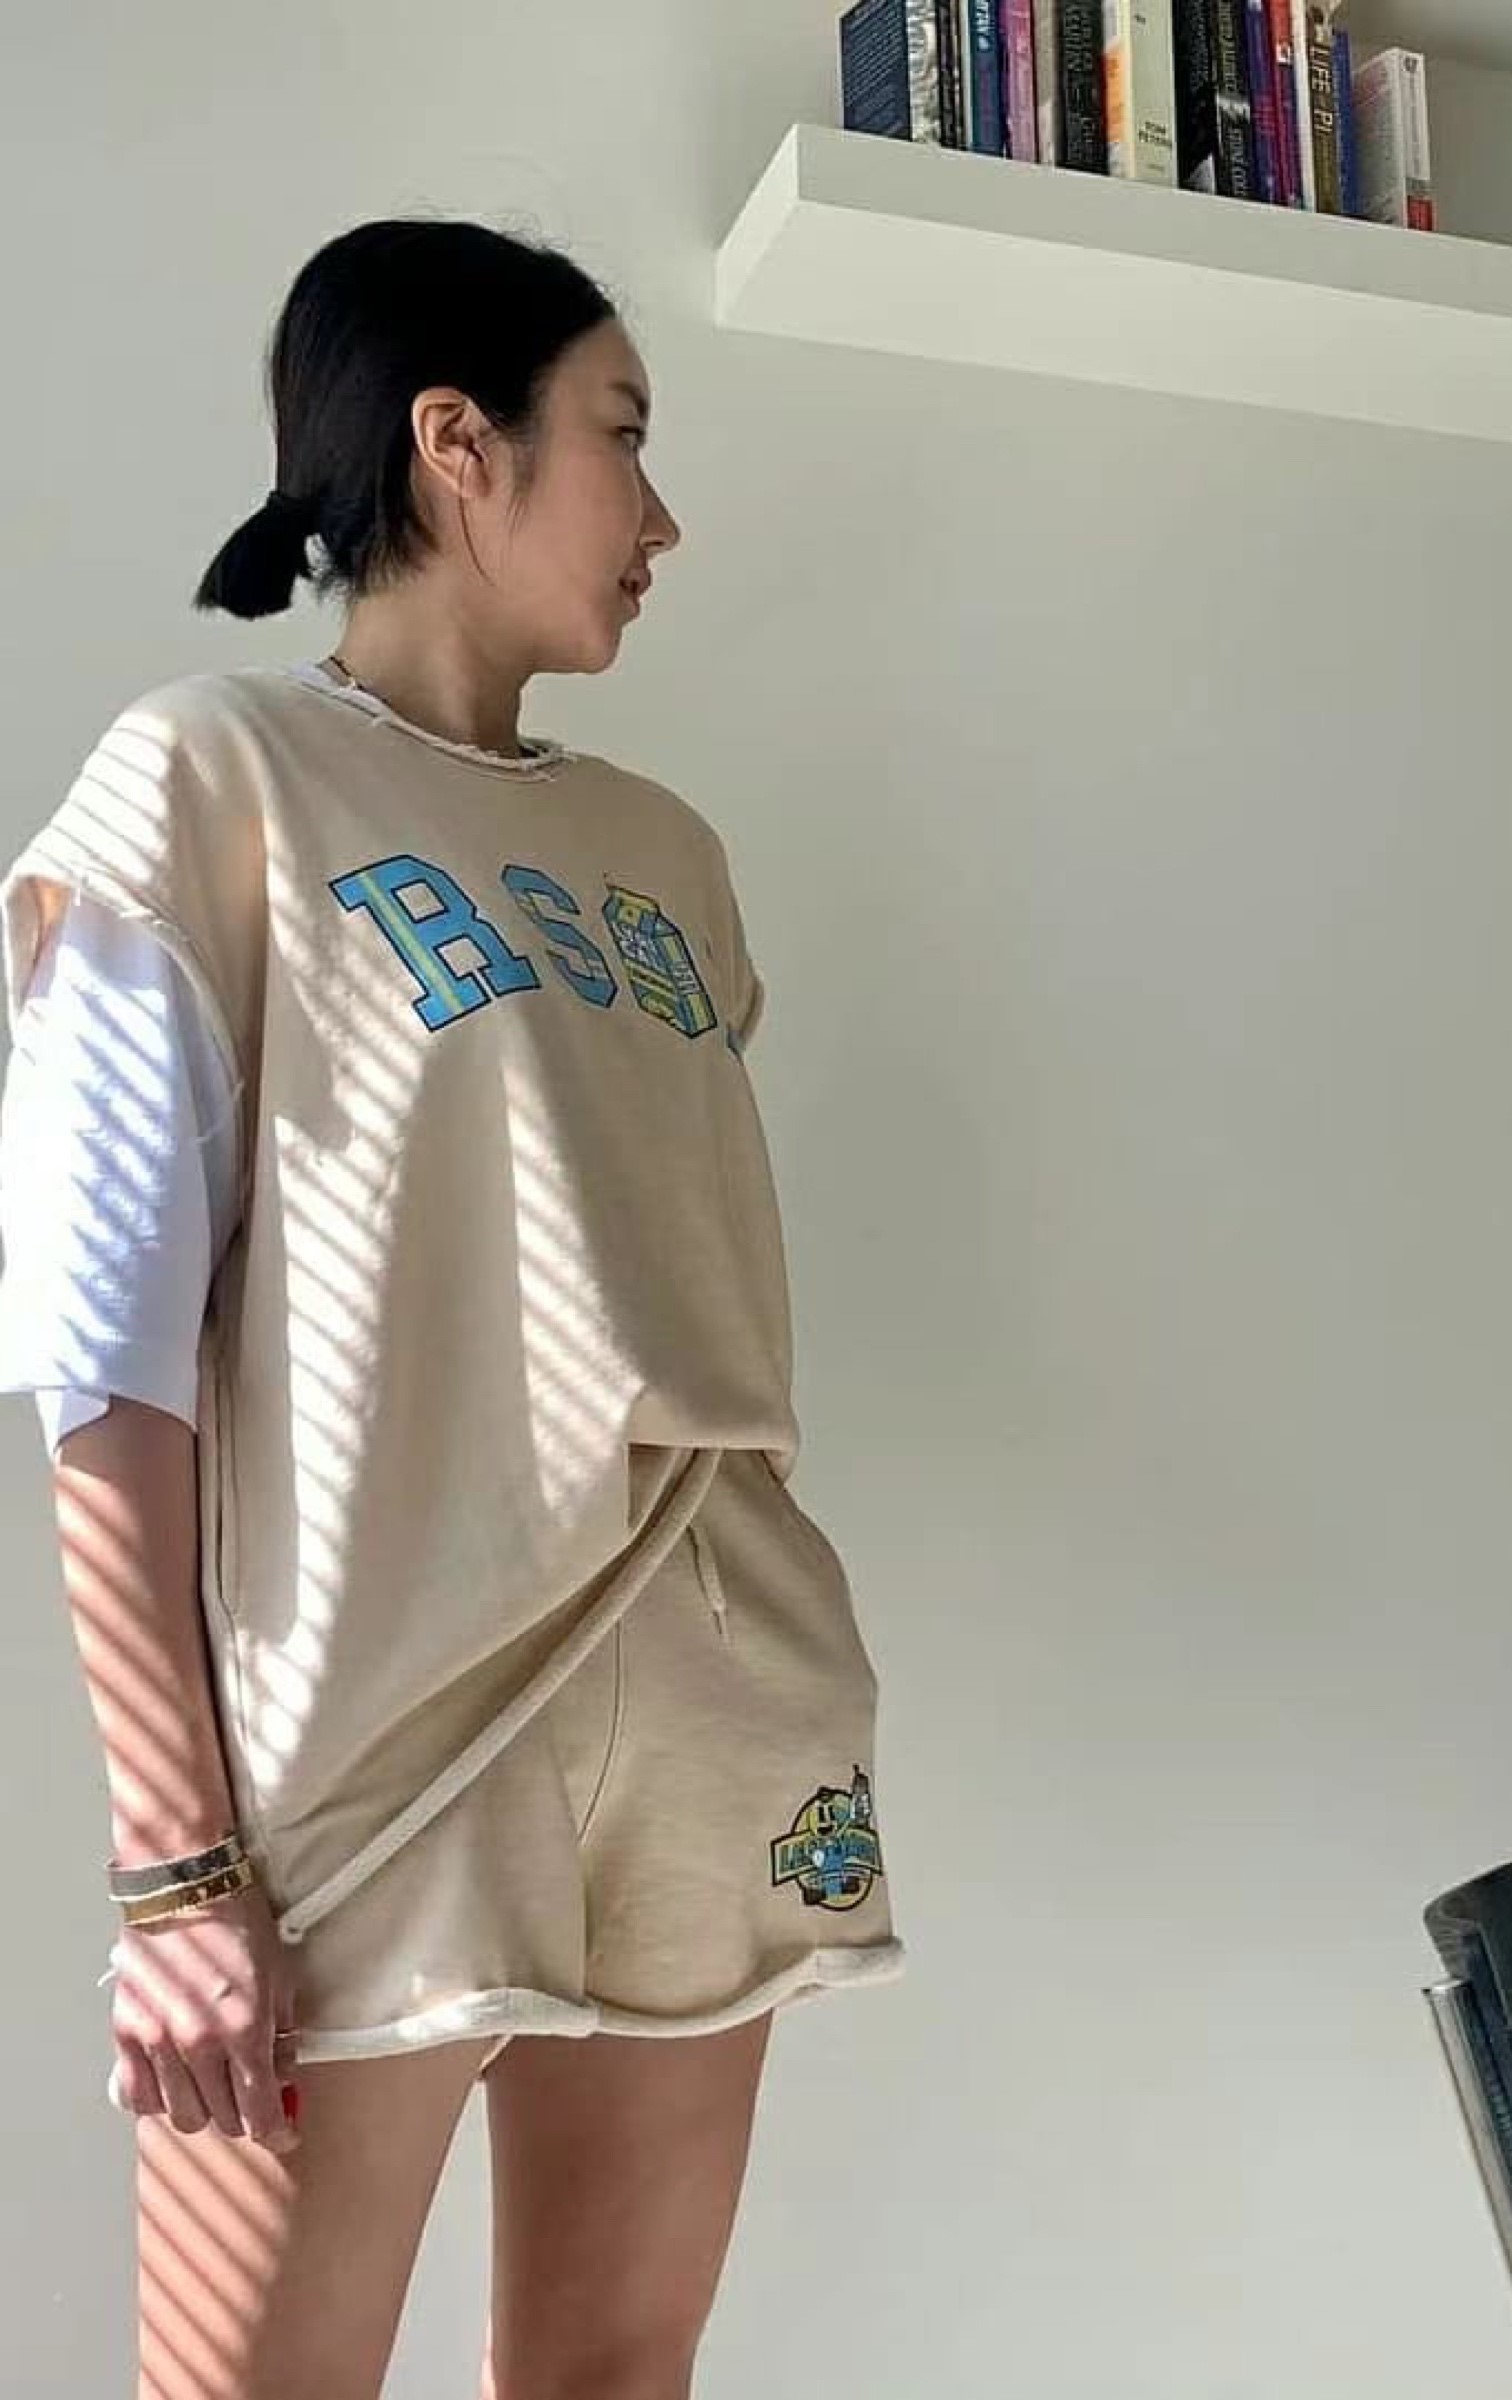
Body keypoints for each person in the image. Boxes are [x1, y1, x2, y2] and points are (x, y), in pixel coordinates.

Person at [0, 216, 905, 2399]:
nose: (663, 517)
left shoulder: (669, 860)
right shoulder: (210, 779)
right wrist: (174, 1870)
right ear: (456, 444)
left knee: (613, 2378)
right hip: (369, 1746)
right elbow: (99, 1358)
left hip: (708, 1681)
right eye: (624, 435)